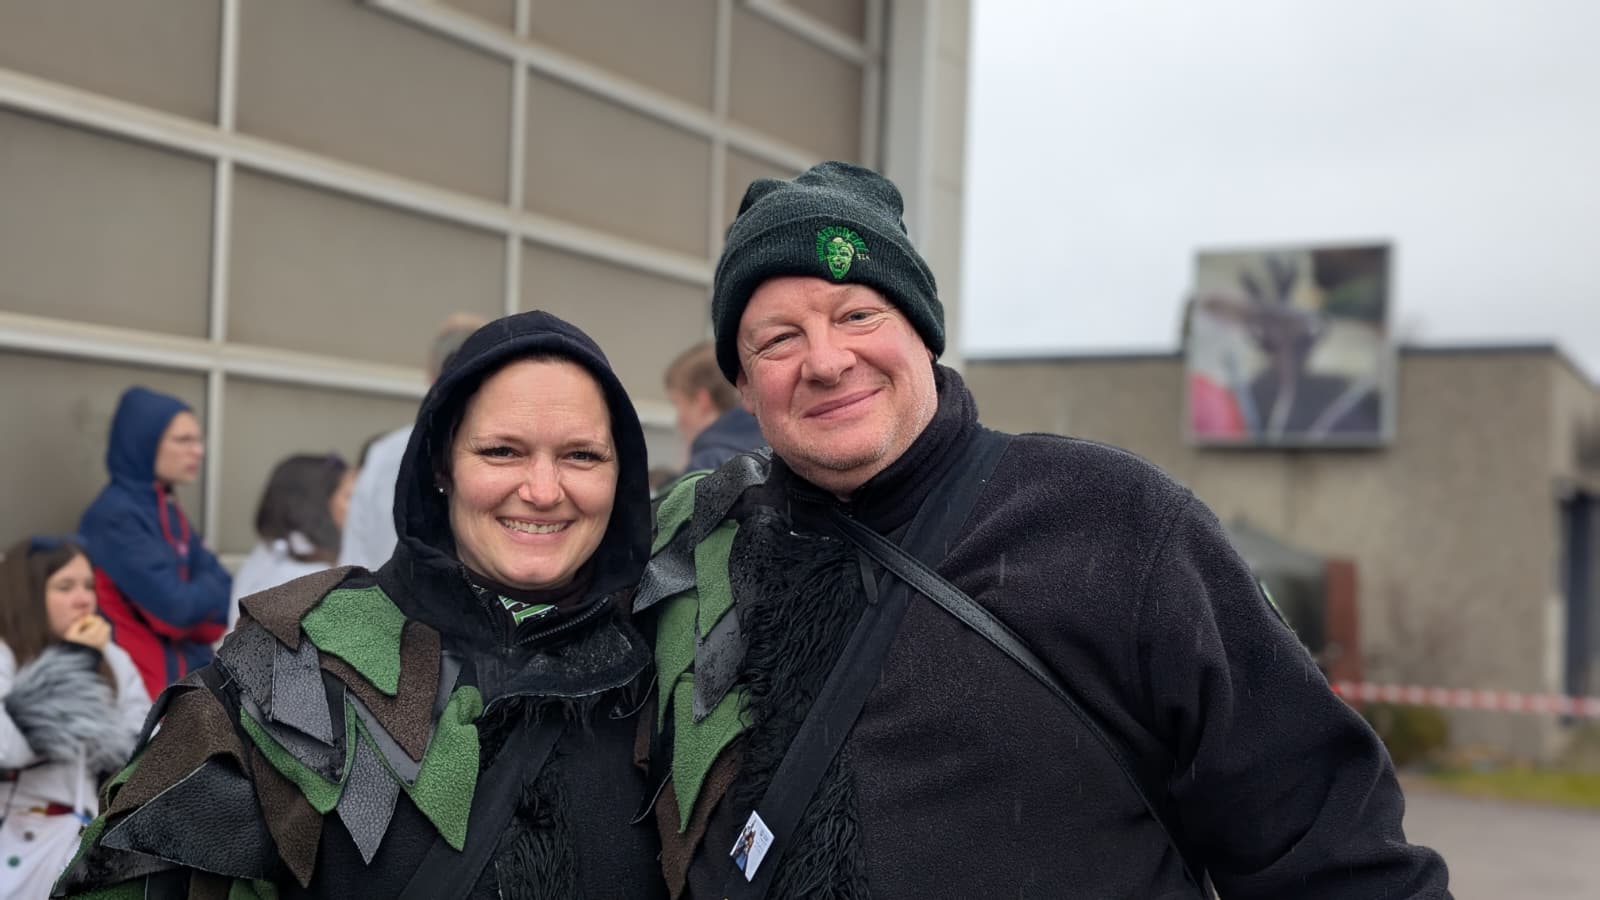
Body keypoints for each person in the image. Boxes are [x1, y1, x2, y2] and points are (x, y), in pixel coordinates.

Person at [636, 162, 1451, 898]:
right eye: (779, 339)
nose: (824, 360)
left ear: (922, 332)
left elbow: (1330, 851)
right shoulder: (704, 550)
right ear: (745, 386)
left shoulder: (1116, 522)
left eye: (857, 314)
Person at [56, 311, 666, 899]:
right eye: (501, 451)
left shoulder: (666, 661)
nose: (543, 490)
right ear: (442, 466)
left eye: (582, 455)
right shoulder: (290, 665)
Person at [0, 537, 149, 900]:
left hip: (87, 844)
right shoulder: (4, 655)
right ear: (27, 594)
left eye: (88, 586)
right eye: (65, 587)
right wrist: (74, 662)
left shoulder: (110, 657)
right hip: (16, 843)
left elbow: (145, 743)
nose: (84, 599)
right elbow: (9, 747)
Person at [79, 387, 231, 699]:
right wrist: (198, 602)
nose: (198, 451)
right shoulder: (115, 516)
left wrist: (196, 604)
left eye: (198, 439)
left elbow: (226, 594)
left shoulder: (168, 508)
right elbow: (175, 612)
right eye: (183, 440)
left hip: (189, 686)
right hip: (142, 699)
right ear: (144, 443)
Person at [339, 314, 487, 570]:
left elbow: (353, 555)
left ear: (429, 374)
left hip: (378, 590)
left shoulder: (383, 454)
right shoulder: (498, 451)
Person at [227, 453, 350, 627]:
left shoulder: (275, 550)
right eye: (349, 496)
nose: (357, 506)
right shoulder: (305, 574)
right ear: (317, 502)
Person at [663, 341, 764, 473]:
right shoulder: (774, 445)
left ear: (701, 401)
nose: (678, 420)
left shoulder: (707, 462)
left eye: (677, 404)